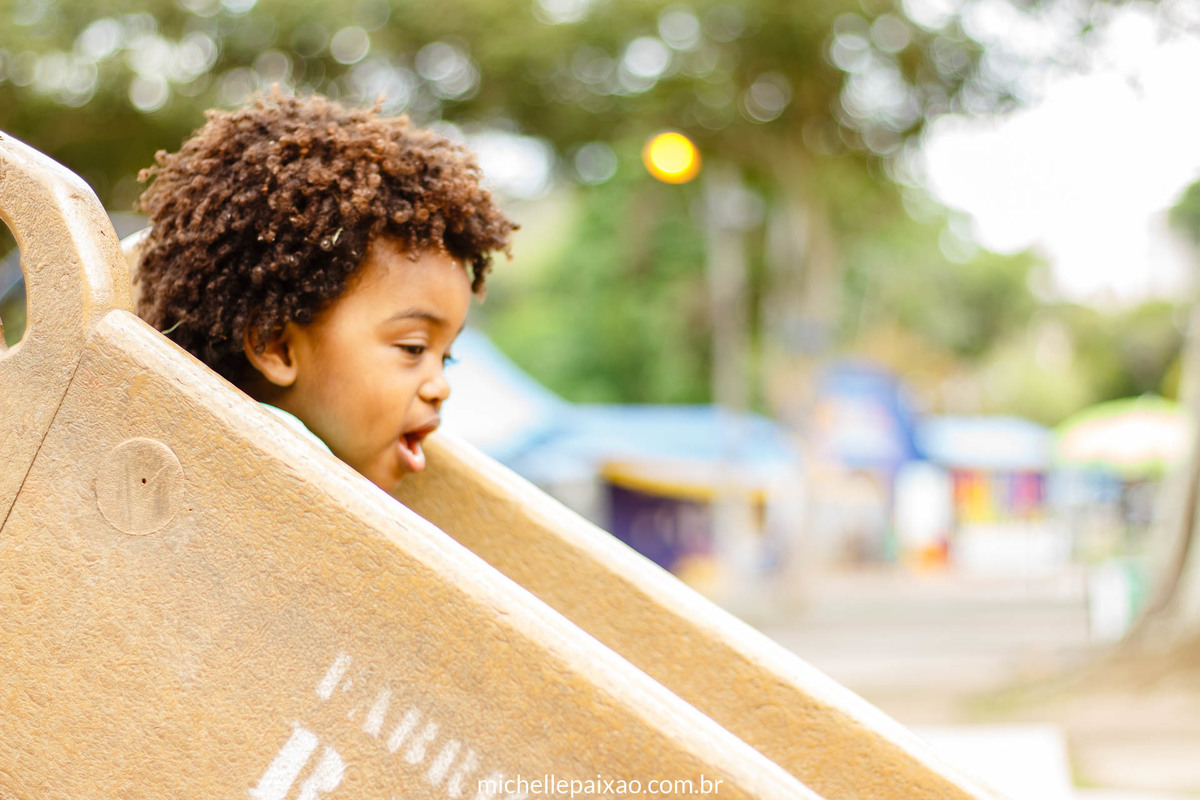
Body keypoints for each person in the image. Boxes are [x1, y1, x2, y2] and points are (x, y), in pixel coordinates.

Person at [135, 90, 515, 492]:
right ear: (276, 345)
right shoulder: (270, 475)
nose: (440, 387)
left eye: (447, 357)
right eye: (413, 348)